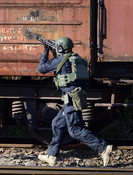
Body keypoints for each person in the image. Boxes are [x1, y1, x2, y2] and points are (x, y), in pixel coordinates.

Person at [37, 37, 112, 167]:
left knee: (75, 130)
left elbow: (42, 68)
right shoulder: (75, 58)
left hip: (71, 98)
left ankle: (103, 148)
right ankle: (52, 156)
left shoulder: (60, 60)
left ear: (60, 48)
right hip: (74, 97)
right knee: (57, 123)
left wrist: (45, 52)